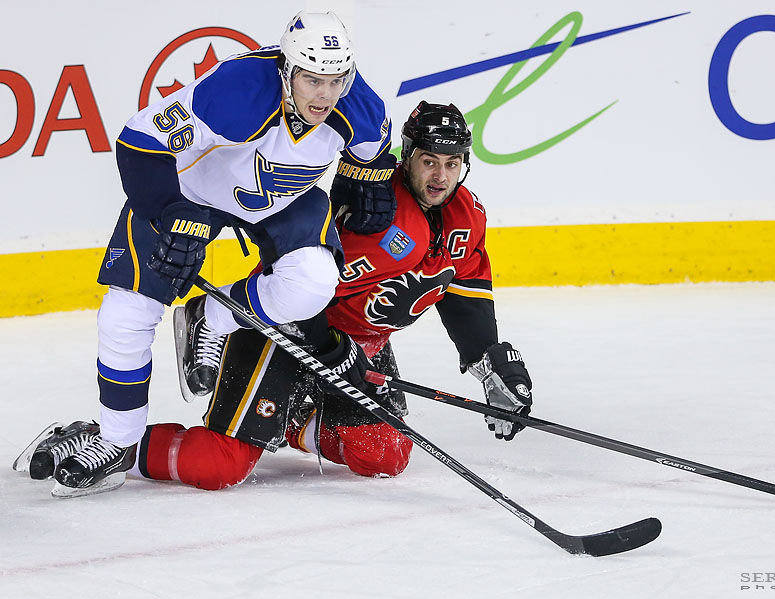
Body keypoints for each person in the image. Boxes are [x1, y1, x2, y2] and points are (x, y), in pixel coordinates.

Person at [15, 102, 533, 494]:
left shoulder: (468, 216)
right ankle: (112, 443)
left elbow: (463, 290)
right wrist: (331, 352)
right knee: (219, 465)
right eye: (428, 161)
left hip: (357, 346)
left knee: (384, 453)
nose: (440, 176)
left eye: (452, 163)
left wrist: (490, 363)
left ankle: (288, 420)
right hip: (283, 330)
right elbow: (305, 290)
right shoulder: (375, 217)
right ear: (407, 158)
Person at [44, 10, 398, 497]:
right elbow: (139, 141)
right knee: (126, 313)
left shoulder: (360, 109)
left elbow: (374, 157)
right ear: (287, 70)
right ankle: (116, 441)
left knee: (313, 283)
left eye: (336, 81)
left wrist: (368, 184)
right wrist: (170, 211)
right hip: (192, 193)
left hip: (283, 201)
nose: (324, 95)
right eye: (312, 80)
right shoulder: (237, 90)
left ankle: (210, 316)